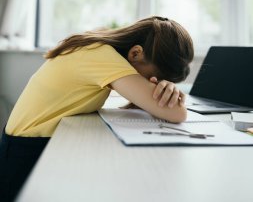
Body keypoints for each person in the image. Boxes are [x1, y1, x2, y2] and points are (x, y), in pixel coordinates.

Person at [0, 15, 194, 201]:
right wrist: (169, 96)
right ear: (135, 53)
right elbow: (177, 114)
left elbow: (145, 104)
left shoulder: (99, 48)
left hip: (29, 143)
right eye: (154, 78)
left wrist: (155, 93)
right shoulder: (102, 56)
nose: (153, 84)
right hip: (24, 153)